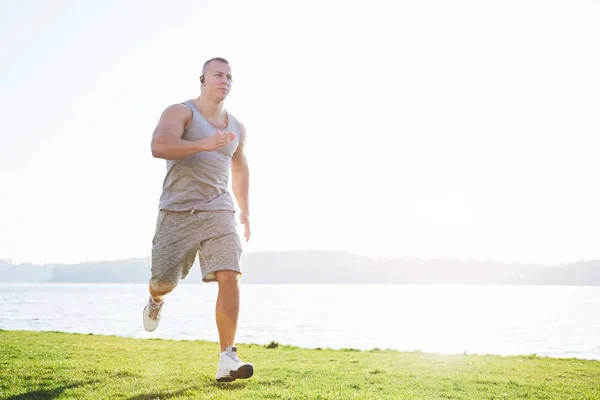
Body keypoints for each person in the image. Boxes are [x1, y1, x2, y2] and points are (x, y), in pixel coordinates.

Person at [143, 57, 253, 383]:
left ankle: (227, 358)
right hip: (176, 212)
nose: (225, 81)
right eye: (218, 75)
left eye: (230, 77)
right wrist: (202, 143)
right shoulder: (181, 112)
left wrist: (245, 210)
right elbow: (159, 145)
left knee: (230, 273)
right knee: (164, 280)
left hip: (218, 209)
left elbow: (239, 167)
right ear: (202, 79)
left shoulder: (237, 127)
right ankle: (155, 299)